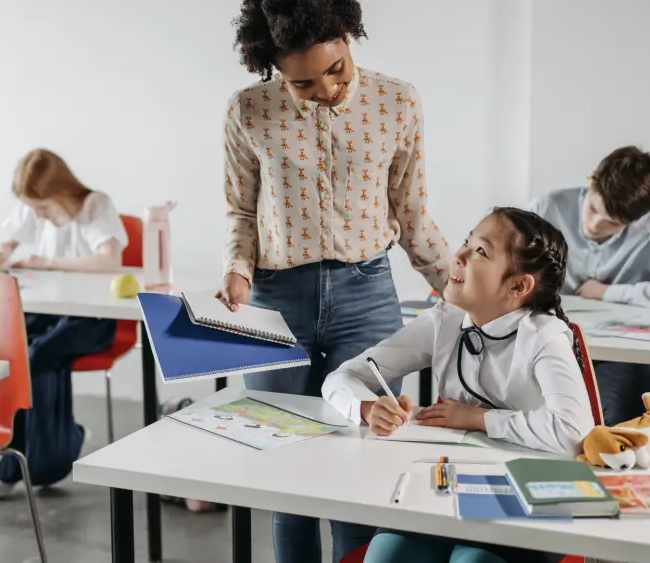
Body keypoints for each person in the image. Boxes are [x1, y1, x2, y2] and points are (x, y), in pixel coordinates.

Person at [217, 1, 450, 559]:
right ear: (272, 68)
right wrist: (237, 270)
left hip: (367, 294)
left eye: (337, 69)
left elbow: (412, 212)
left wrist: (460, 284)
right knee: (285, 466)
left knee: (364, 459)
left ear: (349, 39)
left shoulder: (398, 101)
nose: (327, 90)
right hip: (276, 299)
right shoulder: (247, 111)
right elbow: (242, 213)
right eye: (303, 83)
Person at [323, 208, 594, 563]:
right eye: (466, 242)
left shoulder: (544, 337)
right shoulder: (445, 321)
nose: (459, 255)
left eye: (480, 251)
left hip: (529, 499)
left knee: (471, 562)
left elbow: (574, 431)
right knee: (384, 558)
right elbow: (342, 377)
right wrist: (366, 407)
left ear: (518, 286)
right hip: (446, 490)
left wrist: (478, 418)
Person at [0, 148, 127, 499]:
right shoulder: (35, 206)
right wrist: (0, 254)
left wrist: (48, 262)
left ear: (61, 192)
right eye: (33, 208)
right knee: (12, 350)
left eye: (43, 208)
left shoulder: (96, 205)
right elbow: (10, 239)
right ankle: (54, 445)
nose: (37, 215)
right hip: (49, 311)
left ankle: (30, 463)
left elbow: (111, 260)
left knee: (40, 355)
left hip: (94, 318)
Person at [529, 146, 650, 425]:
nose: (594, 225)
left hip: (617, 357)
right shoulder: (548, 207)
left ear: (637, 220)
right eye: (592, 208)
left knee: (623, 410)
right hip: (546, 343)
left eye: (612, 224)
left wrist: (607, 293)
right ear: (591, 181)